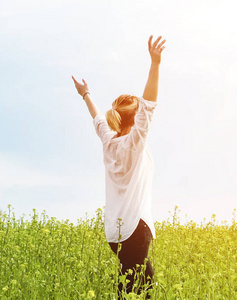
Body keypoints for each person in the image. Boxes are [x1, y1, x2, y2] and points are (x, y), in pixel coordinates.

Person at [72, 35, 166, 299]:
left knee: (140, 282)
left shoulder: (109, 142)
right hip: (135, 228)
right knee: (135, 287)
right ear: (135, 118)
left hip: (114, 232)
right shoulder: (136, 141)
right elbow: (149, 105)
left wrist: (85, 94)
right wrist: (155, 64)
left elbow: (98, 119)